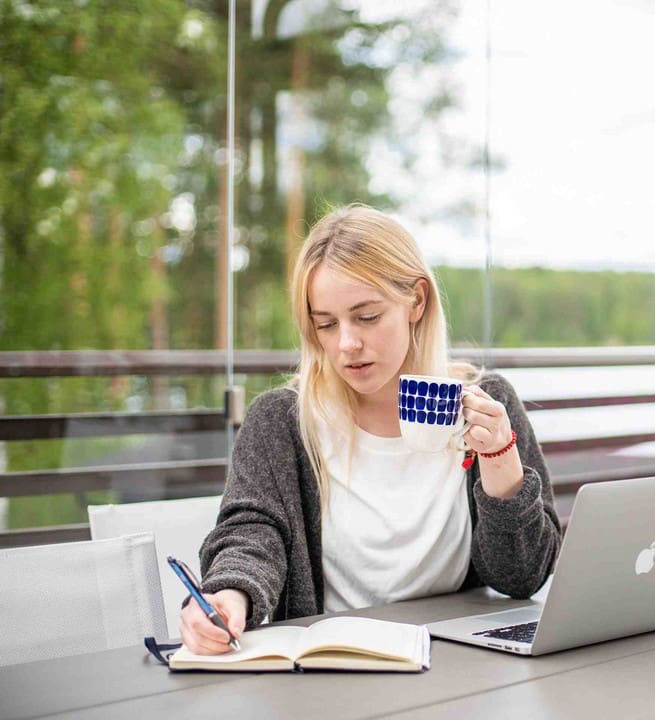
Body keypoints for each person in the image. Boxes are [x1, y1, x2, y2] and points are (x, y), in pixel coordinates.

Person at [179, 205, 562, 654]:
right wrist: (231, 591)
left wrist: (500, 458)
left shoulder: (486, 404)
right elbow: (252, 531)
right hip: (333, 671)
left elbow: (524, 576)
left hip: (460, 663)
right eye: (326, 324)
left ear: (416, 301)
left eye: (367, 317)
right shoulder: (283, 421)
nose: (347, 344)